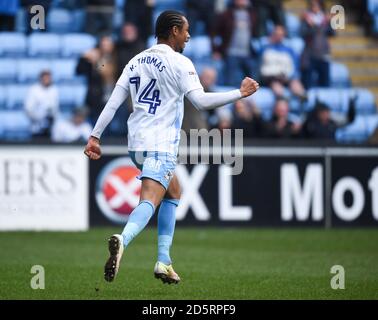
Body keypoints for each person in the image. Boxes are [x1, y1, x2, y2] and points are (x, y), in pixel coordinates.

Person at [84, 10, 259, 284]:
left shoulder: (135, 61)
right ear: (174, 30)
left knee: (173, 191)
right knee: (150, 199)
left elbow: (114, 102)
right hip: (160, 144)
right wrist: (240, 94)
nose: (189, 36)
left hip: (136, 144)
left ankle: (164, 262)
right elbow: (200, 102)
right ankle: (122, 239)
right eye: (186, 30)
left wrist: (95, 136)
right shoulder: (180, 63)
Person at [24, 70, 59, 139]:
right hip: (37, 127)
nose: (47, 80)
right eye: (45, 78)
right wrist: (41, 117)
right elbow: (28, 109)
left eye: (48, 78)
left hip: (50, 127)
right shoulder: (33, 90)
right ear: (40, 78)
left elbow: (55, 108)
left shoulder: (54, 90)